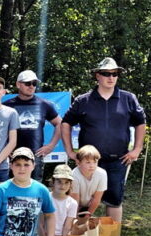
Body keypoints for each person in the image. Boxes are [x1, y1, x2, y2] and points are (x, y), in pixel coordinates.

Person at [61, 57, 146, 224]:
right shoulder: (83, 100)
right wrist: (69, 151)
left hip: (118, 160)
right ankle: (78, 234)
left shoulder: (128, 98)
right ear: (97, 76)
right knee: (79, 201)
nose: (111, 77)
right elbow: (65, 123)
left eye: (115, 74)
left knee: (114, 201)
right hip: (87, 161)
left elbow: (141, 123)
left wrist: (137, 149)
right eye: (107, 73)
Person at [3, 70, 62, 181]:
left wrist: (51, 146)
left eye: (34, 83)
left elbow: (60, 123)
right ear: (18, 84)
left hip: (36, 156)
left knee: (35, 188)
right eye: (27, 83)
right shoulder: (7, 106)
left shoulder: (44, 104)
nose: (31, 86)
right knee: (13, 187)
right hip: (13, 156)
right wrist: (5, 149)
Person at [35, 164, 77, 236]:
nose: (62, 186)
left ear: (70, 184)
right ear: (53, 182)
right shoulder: (45, 198)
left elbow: (67, 227)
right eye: (59, 182)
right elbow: (40, 224)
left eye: (66, 182)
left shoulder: (72, 203)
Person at [70, 145, 107, 214]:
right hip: (73, 204)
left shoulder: (102, 174)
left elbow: (97, 199)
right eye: (88, 162)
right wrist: (75, 216)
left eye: (95, 162)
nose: (92, 166)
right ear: (78, 162)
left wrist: (88, 214)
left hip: (89, 204)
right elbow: (75, 200)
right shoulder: (74, 175)